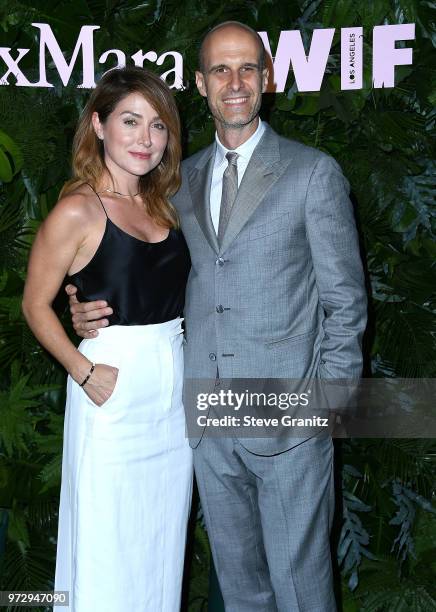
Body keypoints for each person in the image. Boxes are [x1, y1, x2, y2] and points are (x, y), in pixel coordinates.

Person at [67, 22, 367, 612]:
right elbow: (146, 269)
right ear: (201, 84)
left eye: (248, 68)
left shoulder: (313, 173)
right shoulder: (177, 182)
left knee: (302, 590)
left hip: (289, 422)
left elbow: (347, 304)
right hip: (205, 423)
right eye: (221, 70)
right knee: (241, 592)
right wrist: (87, 307)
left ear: (268, 79)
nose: (236, 82)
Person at [22, 67, 193, 612]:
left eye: (158, 126)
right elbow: (33, 303)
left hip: (173, 392)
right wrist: (83, 369)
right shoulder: (78, 208)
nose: (146, 139)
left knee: (161, 542)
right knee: (105, 541)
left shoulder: (168, 203)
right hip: (111, 388)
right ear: (98, 125)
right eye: (130, 121)